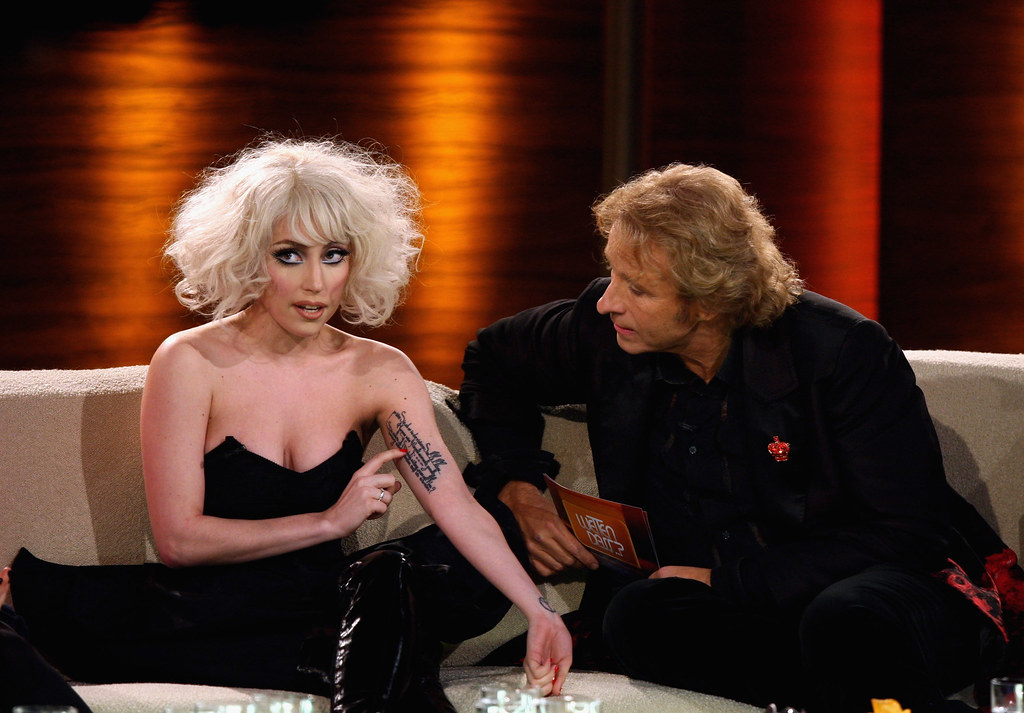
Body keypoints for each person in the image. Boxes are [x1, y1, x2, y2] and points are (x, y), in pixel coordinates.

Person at [7, 137, 571, 713]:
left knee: (402, 569)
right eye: (289, 255)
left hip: (334, 602)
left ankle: (351, 664)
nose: (316, 283)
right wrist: (329, 521)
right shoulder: (189, 360)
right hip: (220, 609)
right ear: (248, 256)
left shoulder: (380, 370)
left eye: (334, 255)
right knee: (383, 615)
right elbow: (179, 541)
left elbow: (455, 506)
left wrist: (540, 611)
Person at [458, 163, 1006, 713]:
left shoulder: (841, 351)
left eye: (638, 288)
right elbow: (492, 361)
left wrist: (729, 581)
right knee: (637, 614)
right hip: (738, 617)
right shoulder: (603, 331)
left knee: (843, 618)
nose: (608, 301)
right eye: (614, 275)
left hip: (868, 592)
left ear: (707, 302)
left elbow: (907, 534)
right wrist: (518, 486)